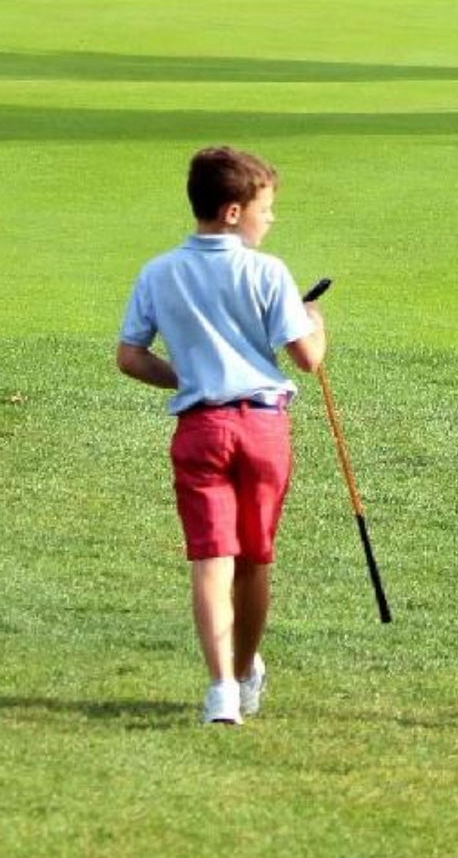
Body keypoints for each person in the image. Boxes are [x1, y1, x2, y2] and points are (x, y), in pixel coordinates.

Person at [117, 146, 326, 726]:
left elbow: (131, 357)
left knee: (212, 559)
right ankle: (245, 666)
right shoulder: (267, 271)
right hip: (262, 427)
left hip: (200, 428)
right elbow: (307, 358)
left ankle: (221, 692)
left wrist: (184, 376)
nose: (271, 218)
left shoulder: (159, 272)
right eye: (265, 207)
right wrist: (315, 319)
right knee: (255, 558)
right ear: (233, 212)